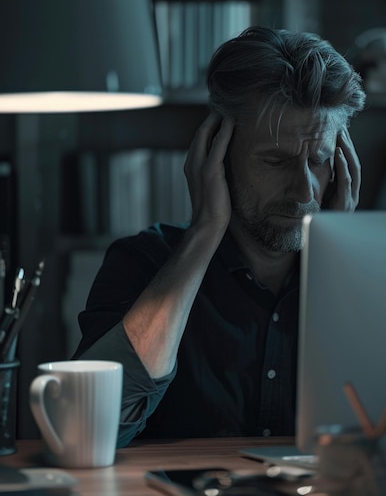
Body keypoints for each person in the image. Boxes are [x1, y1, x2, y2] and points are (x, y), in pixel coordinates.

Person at [73, 26, 366, 447]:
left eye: (318, 161)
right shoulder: (142, 263)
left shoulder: (370, 279)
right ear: (216, 156)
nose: (304, 191)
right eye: (275, 161)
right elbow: (90, 429)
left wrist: (340, 251)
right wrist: (205, 230)